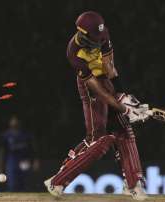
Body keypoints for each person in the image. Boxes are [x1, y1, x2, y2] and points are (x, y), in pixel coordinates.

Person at [44, 11, 150, 200]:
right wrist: (124, 108)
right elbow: (97, 91)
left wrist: (123, 94)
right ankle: (58, 181)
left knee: (124, 129)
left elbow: (109, 66)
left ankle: (133, 184)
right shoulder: (74, 52)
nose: (99, 41)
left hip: (103, 78)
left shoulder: (102, 33)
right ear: (83, 35)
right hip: (90, 86)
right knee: (100, 141)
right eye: (94, 38)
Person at [0, 115, 39, 192]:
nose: (14, 122)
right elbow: (2, 151)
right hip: (11, 161)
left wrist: (35, 161)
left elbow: (33, 149)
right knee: (12, 184)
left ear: (19, 122)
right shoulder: (6, 135)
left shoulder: (26, 134)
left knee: (25, 183)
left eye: (16, 120)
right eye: (12, 120)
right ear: (9, 122)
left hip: (24, 160)